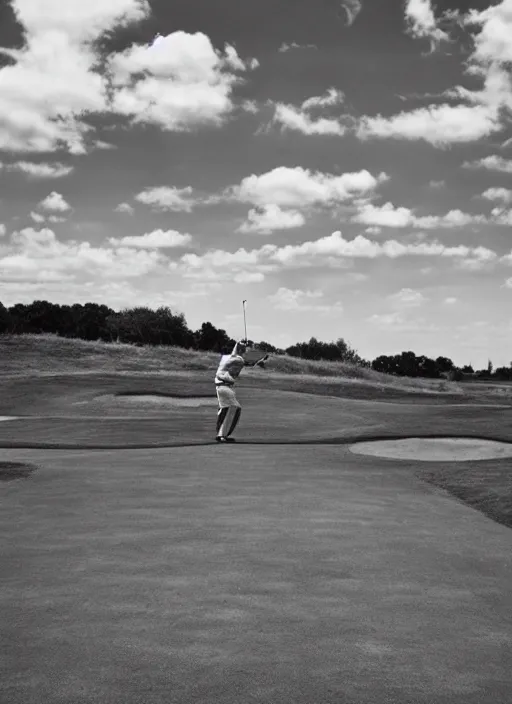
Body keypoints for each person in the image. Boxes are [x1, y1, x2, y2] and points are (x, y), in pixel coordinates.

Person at [214, 340, 247, 443]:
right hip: (224, 387)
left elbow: (236, 352)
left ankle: (221, 434)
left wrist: (240, 343)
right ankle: (222, 435)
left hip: (222, 387)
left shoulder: (226, 358)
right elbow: (241, 359)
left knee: (226, 409)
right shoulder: (236, 360)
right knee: (234, 407)